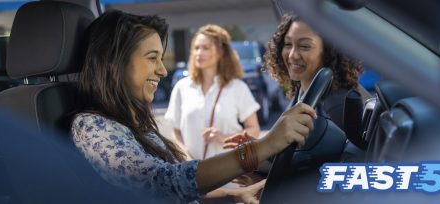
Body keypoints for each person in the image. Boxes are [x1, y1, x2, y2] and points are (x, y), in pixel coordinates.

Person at [71, 10, 316, 203]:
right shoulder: (92, 126)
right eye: (151, 57)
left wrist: (231, 196)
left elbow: (173, 184)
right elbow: (162, 184)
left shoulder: (133, 124)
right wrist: (264, 146)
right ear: (116, 62)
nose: (163, 70)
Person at [224, 12, 368, 149]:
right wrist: (258, 147)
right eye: (287, 44)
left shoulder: (336, 104)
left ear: (329, 51)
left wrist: (256, 154)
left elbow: (314, 167)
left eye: (304, 46)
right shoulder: (302, 93)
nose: (292, 55)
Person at [165, 24, 261, 160]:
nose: (199, 53)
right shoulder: (181, 87)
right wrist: (186, 159)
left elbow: (254, 130)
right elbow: (176, 131)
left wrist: (224, 138)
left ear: (221, 53)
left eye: (205, 48)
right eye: (196, 48)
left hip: (230, 174)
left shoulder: (238, 88)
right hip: (192, 175)